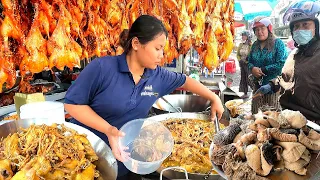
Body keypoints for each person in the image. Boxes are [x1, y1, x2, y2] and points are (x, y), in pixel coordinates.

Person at [64, 15, 224, 179]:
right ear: (135, 44)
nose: (162, 55)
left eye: (162, 49)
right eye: (157, 48)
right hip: (85, 158)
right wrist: (109, 130)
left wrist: (214, 98)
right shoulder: (102, 68)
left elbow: (186, 81)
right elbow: (72, 105)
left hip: (125, 161)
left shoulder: (157, 76)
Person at [255, 0, 320, 124]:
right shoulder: (295, 53)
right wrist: (271, 85)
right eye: (295, 26)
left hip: (313, 124)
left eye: (305, 24)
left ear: (317, 27)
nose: (299, 29)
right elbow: (286, 77)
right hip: (288, 118)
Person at [248, 16, 288, 114]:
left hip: (273, 88)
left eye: (262, 28)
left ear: (268, 29)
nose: (259, 32)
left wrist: (263, 70)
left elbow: (282, 63)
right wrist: (252, 68)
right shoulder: (255, 45)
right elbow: (249, 61)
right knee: (256, 116)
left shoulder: (278, 43)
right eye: (256, 29)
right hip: (257, 87)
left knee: (271, 118)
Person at [236, 31, 252, 99]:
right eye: (242, 35)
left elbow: (252, 55)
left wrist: (247, 61)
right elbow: (237, 54)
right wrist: (240, 60)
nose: (243, 37)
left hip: (248, 64)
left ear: (248, 37)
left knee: (249, 78)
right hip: (242, 64)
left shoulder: (251, 45)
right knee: (243, 78)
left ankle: (255, 91)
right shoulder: (241, 44)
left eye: (244, 35)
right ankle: (245, 93)